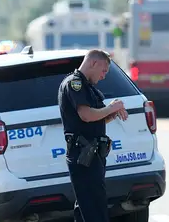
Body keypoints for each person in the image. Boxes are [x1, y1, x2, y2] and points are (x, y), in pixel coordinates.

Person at [58, 49, 128, 222]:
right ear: (93, 63)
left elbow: (93, 120)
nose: (104, 76)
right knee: (94, 208)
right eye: (104, 70)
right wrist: (111, 107)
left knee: (87, 207)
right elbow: (86, 115)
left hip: (92, 155)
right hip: (83, 155)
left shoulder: (88, 87)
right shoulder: (75, 84)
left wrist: (111, 114)